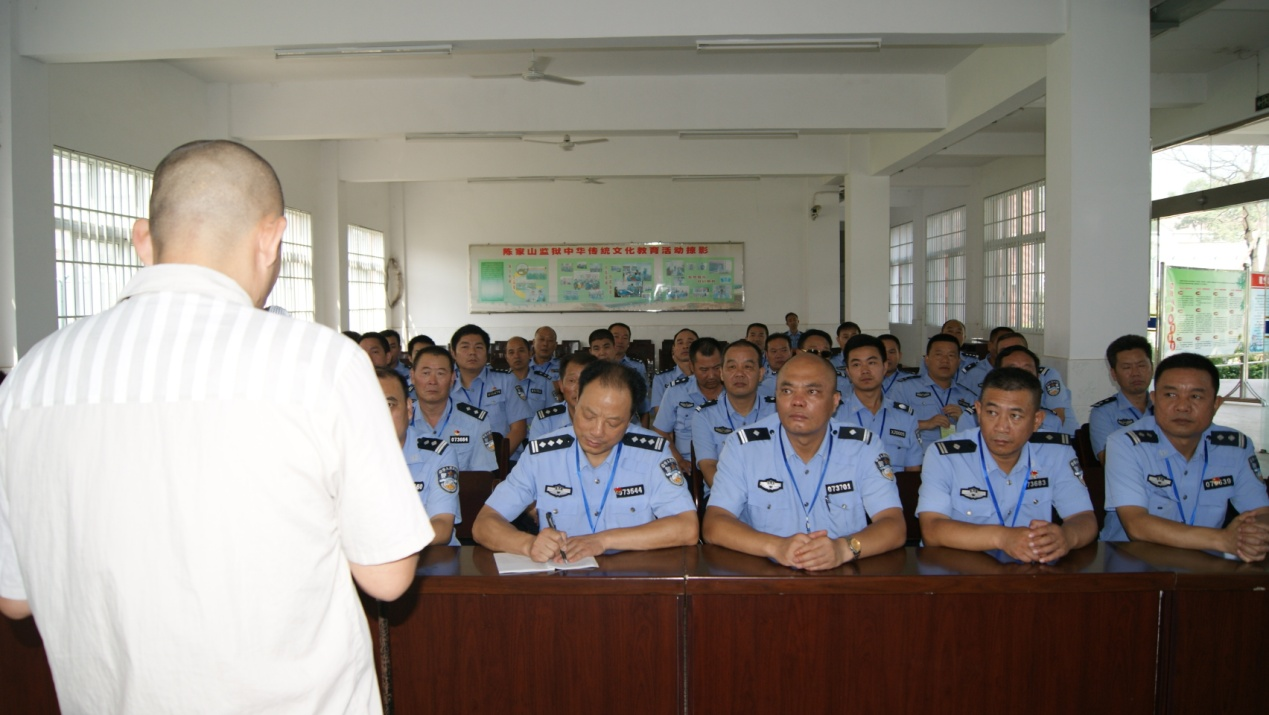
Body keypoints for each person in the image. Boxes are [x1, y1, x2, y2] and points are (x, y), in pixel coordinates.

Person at [0, 140, 432, 713]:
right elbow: (388, 575)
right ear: (272, 238)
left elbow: (15, 598)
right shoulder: (318, 362)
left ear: (142, 240)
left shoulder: (33, 376)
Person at [472, 361, 699, 562]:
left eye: (613, 423)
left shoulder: (652, 453)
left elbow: (687, 528)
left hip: (631, 581)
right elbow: (484, 524)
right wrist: (528, 544)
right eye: (589, 416)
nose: (597, 432)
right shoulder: (542, 454)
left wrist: (603, 540)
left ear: (630, 419)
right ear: (576, 400)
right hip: (564, 578)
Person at [702, 354, 906, 570]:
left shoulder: (863, 447)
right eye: (787, 391)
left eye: (812, 392)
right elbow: (715, 523)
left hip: (842, 574)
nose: (797, 401)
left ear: (835, 401)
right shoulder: (743, 447)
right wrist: (776, 546)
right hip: (767, 576)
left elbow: (893, 525)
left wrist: (843, 549)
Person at [916, 367, 1097, 563]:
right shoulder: (946, 455)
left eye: (1015, 416)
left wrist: (1066, 538)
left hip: (1030, 570)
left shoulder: (1056, 453)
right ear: (978, 411)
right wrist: (1003, 538)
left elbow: (1084, 518)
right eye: (992, 413)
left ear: (1037, 420)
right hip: (961, 570)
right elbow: (932, 529)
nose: (1001, 427)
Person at [1102, 353, 1269, 561]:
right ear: (1154, 399)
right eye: (1171, 395)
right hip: (1134, 564)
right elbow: (1136, 525)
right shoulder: (1126, 443)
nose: (1182, 406)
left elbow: (1261, 512)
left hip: (1206, 564)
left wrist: (1255, 535)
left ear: (1216, 404)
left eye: (1196, 396)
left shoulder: (1235, 447)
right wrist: (1223, 540)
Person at [380, 367, 458, 545]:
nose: (379, 415)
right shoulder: (343, 456)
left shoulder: (438, 454)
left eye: (388, 405)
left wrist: (388, 544)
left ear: (408, 408)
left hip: (429, 557)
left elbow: (442, 526)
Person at [692, 340, 776, 487]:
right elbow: (709, 467)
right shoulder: (704, 416)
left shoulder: (777, 411)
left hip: (772, 496)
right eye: (732, 367)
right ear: (722, 374)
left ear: (761, 373)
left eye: (748, 367)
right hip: (723, 499)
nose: (739, 374)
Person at [839, 335, 923, 470]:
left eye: (871, 363)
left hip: (896, 489)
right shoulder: (834, 415)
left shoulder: (905, 417)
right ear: (848, 372)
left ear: (884, 367)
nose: (865, 370)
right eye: (856, 364)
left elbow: (912, 471)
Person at [412, 345, 499, 472]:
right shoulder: (398, 420)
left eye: (440, 373)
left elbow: (481, 479)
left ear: (453, 378)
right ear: (412, 376)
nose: (432, 381)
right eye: (426, 373)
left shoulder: (476, 422)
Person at [450, 324, 531, 454]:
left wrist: (495, 463)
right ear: (453, 352)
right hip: (458, 464)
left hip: (503, 462)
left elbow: (519, 430)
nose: (472, 352)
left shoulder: (507, 381)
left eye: (479, 347)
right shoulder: (447, 387)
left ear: (487, 352)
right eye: (465, 347)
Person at [654, 337, 724, 473]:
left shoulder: (734, 391)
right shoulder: (676, 391)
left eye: (716, 368)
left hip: (726, 465)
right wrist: (678, 460)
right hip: (689, 466)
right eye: (704, 370)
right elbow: (661, 431)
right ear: (692, 367)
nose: (711, 375)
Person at [891, 334, 977, 445]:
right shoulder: (904, 388)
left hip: (954, 457)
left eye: (951, 355)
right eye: (939, 355)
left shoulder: (969, 396)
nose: (945, 360)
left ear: (958, 362)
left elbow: (980, 434)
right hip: (919, 458)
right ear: (927, 360)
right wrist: (925, 424)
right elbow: (892, 424)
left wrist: (964, 420)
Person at [957, 345, 1063, 434]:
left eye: (1027, 371)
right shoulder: (972, 418)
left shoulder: (1051, 421)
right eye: (1012, 371)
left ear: (1038, 378)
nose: (1020, 378)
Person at [1089, 334, 1154, 461]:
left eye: (1141, 366)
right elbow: (1109, 461)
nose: (1135, 373)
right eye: (1127, 367)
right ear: (1114, 374)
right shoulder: (1103, 413)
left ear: (1152, 367)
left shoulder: (1166, 407)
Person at [528, 351, 598, 441]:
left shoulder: (611, 418)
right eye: (572, 381)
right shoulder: (545, 421)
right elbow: (534, 455)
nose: (579, 388)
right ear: (561, 385)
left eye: (587, 380)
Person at [651, 328, 697, 421]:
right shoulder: (661, 379)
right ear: (673, 349)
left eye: (690, 342)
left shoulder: (708, 376)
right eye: (680, 343)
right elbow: (660, 416)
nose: (685, 346)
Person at [505, 336, 553, 419]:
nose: (516, 356)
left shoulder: (545, 382)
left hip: (538, 431)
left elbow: (553, 414)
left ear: (530, 353)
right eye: (511, 352)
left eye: (521, 351)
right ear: (506, 357)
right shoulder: (498, 383)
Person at [610, 322, 651, 415]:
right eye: (616, 336)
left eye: (625, 338)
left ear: (629, 342)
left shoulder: (637, 366)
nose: (620, 341)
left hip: (632, 419)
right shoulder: (600, 365)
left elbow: (644, 401)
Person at [756, 332, 794, 400]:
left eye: (784, 350)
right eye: (774, 351)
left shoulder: (802, 377)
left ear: (791, 352)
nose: (779, 355)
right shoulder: (759, 381)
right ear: (766, 355)